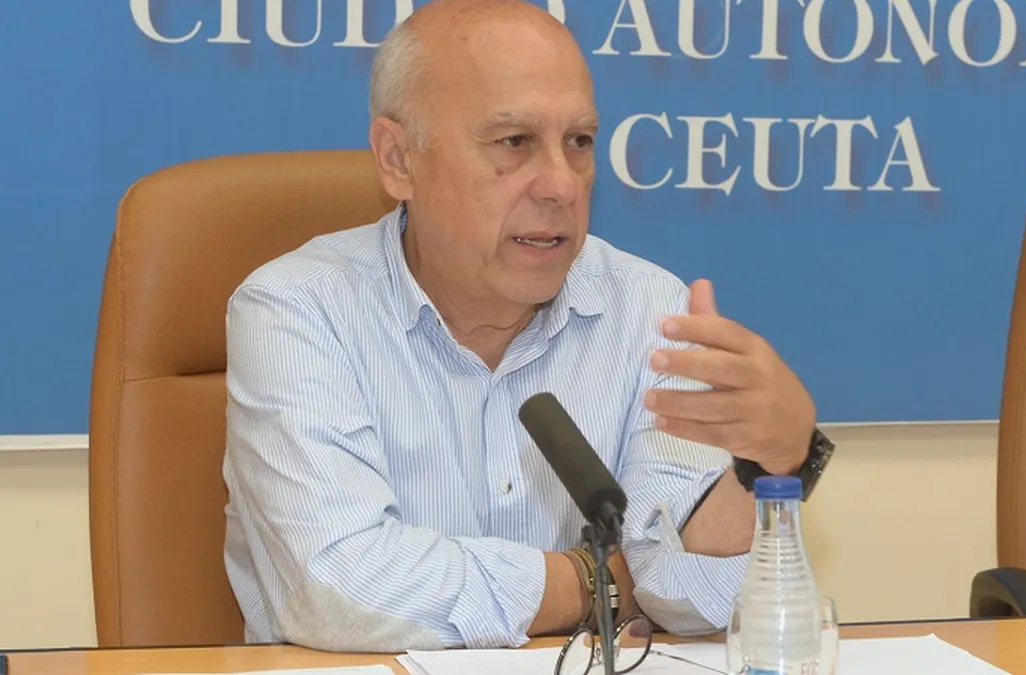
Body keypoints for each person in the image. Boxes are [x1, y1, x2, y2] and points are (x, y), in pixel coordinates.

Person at [221, 0, 833, 653]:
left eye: (579, 142)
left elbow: (682, 592)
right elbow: (336, 587)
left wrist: (773, 465)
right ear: (398, 159)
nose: (562, 185)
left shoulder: (650, 308)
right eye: (514, 142)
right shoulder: (297, 308)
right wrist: (595, 580)